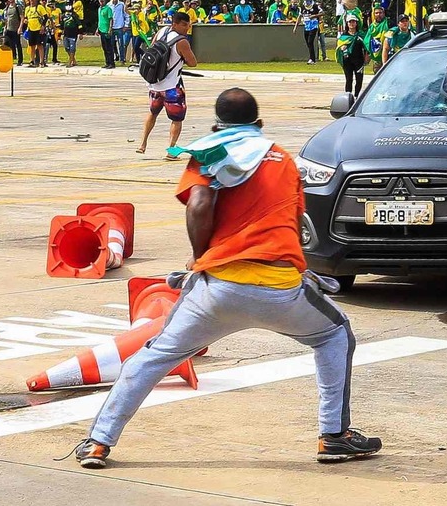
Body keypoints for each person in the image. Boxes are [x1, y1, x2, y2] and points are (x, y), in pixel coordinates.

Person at [71, 86, 382, 469]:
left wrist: (200, 257)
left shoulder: (208, 153)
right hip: (281, 288)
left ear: (217, 125)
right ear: (260, 123)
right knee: (334, 335)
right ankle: (333, 436)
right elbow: (296, 223)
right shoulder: (282, 159)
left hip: (217, 289)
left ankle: (99, 442)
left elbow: (200, 205)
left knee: (153, 357)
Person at [137, 12, 197, 157]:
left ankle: (142, 144)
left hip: (155, 85)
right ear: (175, 24)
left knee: (152, 113)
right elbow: (193, 63)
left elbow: (152, 49)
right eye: (184, 25)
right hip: (172, 87)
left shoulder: (161, 31)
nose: (187, 28)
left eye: (188, 25)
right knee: (177, 119)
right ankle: (171, 151)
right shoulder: (182, 41)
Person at [337, 15, 369, 98]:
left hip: (359, 60)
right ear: (347, 24)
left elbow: (366, 46)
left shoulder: (361, 35)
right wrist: (342, 47)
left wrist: (366, 57)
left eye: (353, 22)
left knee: (359, 80)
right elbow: (339, 46)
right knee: (349, 79)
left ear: (356, 23)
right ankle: (348, 97)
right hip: (347, 60)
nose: (352, 23)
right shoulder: (343, 36)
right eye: (350, 22)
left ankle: (356, 96)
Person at [294, 0, 323, 64]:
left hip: (314, 26)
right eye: (305, 0)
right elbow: (299, 17)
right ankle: (312, 57)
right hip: (306, 26)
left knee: (310, 41)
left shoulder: (315, 6)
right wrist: (295, 27)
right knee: (308, 43)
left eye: (307, 0)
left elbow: (322, 13)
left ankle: (312, 59)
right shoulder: (303, 7)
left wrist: (314, 16)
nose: (306, 1)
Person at [23, 0, 49, 68]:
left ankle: (41, 62)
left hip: (38, 28)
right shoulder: (27, 8)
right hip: (31, 28)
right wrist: (25, 21)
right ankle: (32, 61)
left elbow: (46, 17)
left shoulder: (40, 7)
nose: (32, 0)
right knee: (32, 46)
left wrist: (43, 26)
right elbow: (25, 17)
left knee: (40, 45)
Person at [364, 5, 389, 73]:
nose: (378, 14)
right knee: (377, 74)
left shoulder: (388, 23)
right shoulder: (372, 26)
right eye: (376, 13)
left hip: (388, 53)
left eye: (380, 13)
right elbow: (367, 39)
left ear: (383, 13)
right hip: (376, 54)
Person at [108, 0, 128, 65]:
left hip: (119, 27)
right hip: (112, 27)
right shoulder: (108, 5)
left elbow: (126, 15)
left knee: (121, 44)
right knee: (112, 44)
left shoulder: (122, 5)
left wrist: (125, 25)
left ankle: (122, 59)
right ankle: (115, 56)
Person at [95, 0, 115, 69]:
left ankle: (111, 63)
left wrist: (110, 29)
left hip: (107, 30)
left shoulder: (108, 8)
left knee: (109, 48)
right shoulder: (99, 9)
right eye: (100, 0)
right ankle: (107, 62)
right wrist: (97, 29)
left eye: (102, 0)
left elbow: (111, 19)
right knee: (104, 48)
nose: (101, 1)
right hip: (101, 30)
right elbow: (100, 20)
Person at [3, 0, 24, 66]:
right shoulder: (7, 8)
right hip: (8, 29)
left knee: (18, 44)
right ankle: (9, 59)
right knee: (7, 44)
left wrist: (20, 28)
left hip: (16, 29)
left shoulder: (18, 7)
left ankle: (20, 60)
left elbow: (22, 18)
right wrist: (5, 27)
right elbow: (6, 18)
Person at [61, 2, 82, 68]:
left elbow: (79, 25)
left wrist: (81, 33)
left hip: (73, 34)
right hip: (66, 35)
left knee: (72, 48)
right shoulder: (63, 16)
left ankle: (70, 62)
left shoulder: (74, 15)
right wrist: (59, 33)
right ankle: (74, 60)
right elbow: (62, 25)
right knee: (66, 48)